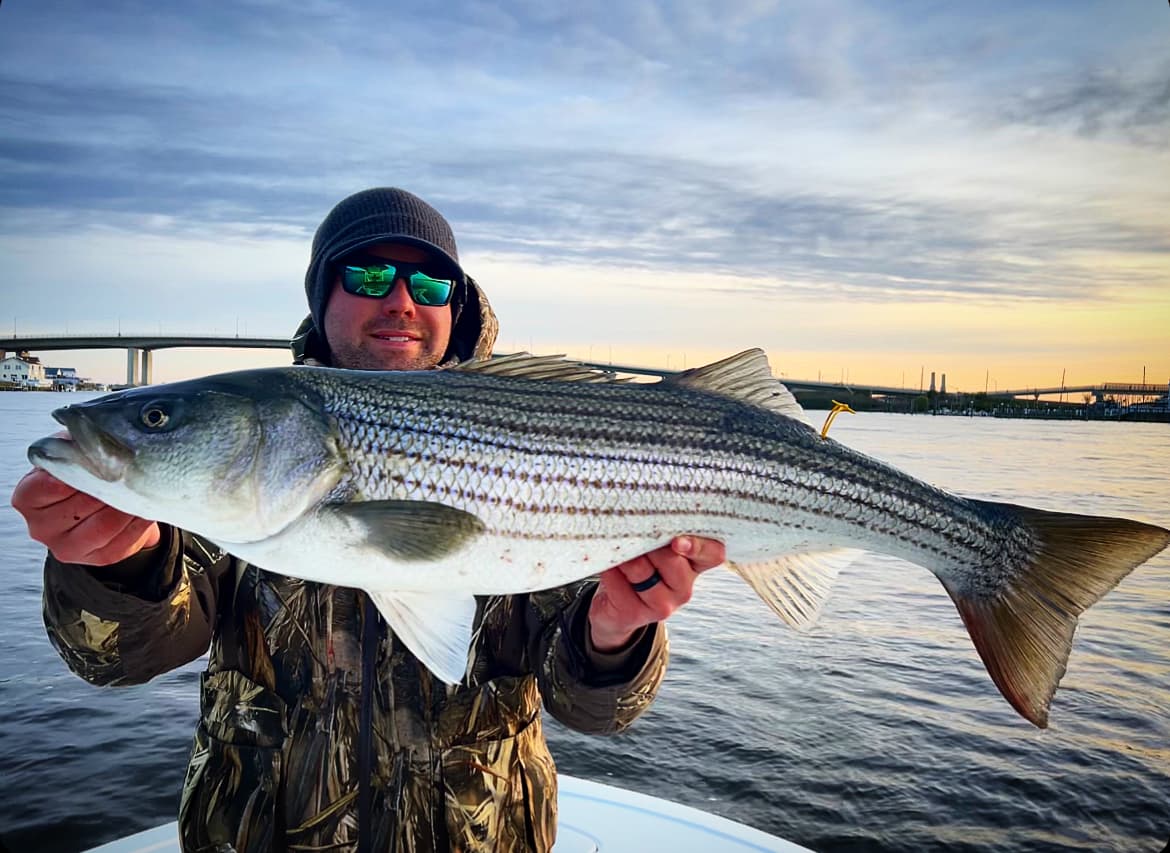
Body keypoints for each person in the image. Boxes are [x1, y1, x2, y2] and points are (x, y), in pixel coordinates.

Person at [12, 188, 726, 852]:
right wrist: (118, 566)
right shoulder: (223, 485)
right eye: (371, 277)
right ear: (323, 297)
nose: (404, 302)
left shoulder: (542, 439)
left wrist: (615, 632)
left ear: (457, 305)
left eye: (432, 284)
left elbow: (597, 711)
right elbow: (117, 659)